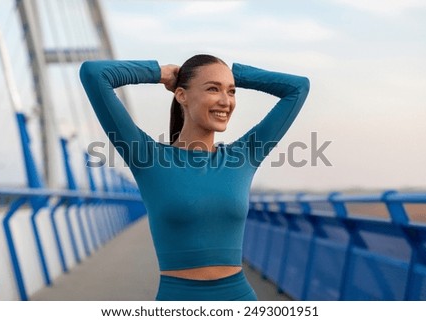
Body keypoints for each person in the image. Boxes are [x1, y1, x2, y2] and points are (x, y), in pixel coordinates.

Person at [79, 54, 310, 301]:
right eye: (213, 89)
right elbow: (94, 74)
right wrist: (161, 73)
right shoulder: (147, 157)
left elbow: (298, 87)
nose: (225, 101)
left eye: (231, 92)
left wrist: (236, 74)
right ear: (181, 95)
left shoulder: (243, 156)